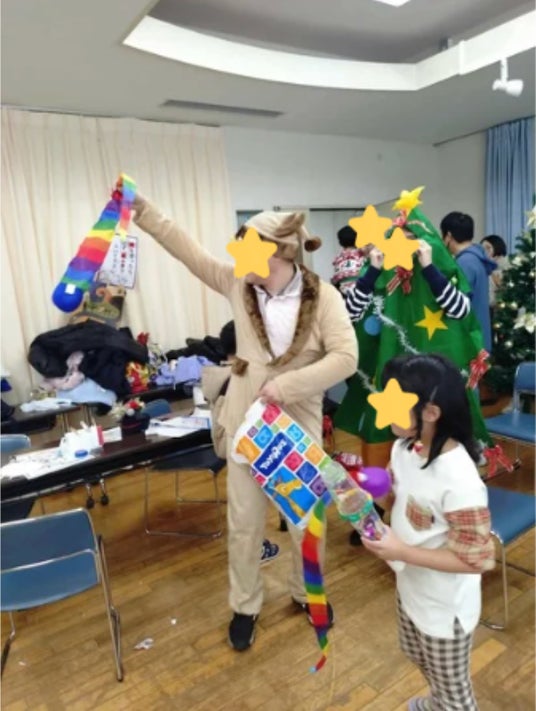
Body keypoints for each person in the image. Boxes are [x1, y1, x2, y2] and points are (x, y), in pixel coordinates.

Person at [131, 194, 358, 652]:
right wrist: (143, 210)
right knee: (244, 522)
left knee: (307, 521)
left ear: (279, 251)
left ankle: (308, 593)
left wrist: (286, 386)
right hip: (246, 422)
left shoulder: (324, 297)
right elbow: (188, 250)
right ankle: (245, 605)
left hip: (297, 424)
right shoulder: (238, 282)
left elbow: (346, 358)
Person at [362, 353, 495, 711]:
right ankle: (438, 701)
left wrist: (401, 551)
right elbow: (402, 504)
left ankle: (443, 704)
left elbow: (476, 559)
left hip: (444, 608)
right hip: (411, 587)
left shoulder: (460, 480)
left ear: (431, 412)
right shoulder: (404, 447)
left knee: (456, 697)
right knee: (414, 652)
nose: (383, 407)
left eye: (394, 400)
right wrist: (378, 494)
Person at [335, 190, 492, 473]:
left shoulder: (441, 272)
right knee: (397, 438)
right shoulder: (381, 276)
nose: (404, 247)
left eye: (411, 240)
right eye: (398, 240)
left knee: (436, 431)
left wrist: (429, 268)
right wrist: (372, 272)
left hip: (435, 378)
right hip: (394, 377)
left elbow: (460, 311)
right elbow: (350, 314)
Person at [201, 320, 279, 565]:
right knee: (251, 505)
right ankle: (254, 551)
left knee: (244, 503)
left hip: (227, 442)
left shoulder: (218, 373)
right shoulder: (245, 377)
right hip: (246, 446)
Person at [440, 212, 496, 353]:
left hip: (469, 339)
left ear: (448, 236)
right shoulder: (476, 257)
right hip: (478, 335)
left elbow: (456, 304)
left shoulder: (464, 263)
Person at [331, 225, 368, 294]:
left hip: (343, 291)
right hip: (360, 289)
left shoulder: (338, 258)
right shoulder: (361, 254)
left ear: (340, 242)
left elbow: (336, 278)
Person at [480, 234, 508, 317]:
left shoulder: (507, 267)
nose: (485, 251)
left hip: (502, 313)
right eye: (482, 248)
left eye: (488, 248)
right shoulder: (481, 266)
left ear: (497, 247)